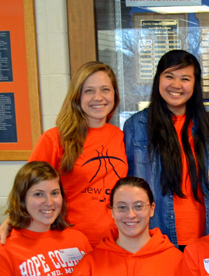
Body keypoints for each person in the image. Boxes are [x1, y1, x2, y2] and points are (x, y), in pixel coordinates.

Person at [4, 62, 127, 247]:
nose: (98, 97)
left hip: (114, 243)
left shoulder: (121, 136)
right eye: (89, 91)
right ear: (77, 96)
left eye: (105, 89)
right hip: (68, 244)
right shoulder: (55, 139)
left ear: (114, 94)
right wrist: (9, 222)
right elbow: (26, 189)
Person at [124, 50, 209, 248]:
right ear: (158, 79)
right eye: (169, 76)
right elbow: (129, 184)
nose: (176, 85)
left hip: (205, 237)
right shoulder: (136, 126)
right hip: (155, 237)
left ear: (195, 84)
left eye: (185, 78)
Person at [69, 177, 184, 276]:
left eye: (139, 206)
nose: (131, 215)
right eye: (122, 207)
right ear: (112, 211)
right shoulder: (89, 265)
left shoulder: (177, 261)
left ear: (152, 209)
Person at [0, 161, 92, 276]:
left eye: (54, 193)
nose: (49, 202)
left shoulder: (79, 241)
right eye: (38, 194)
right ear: (21, 198)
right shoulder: (6, 249)